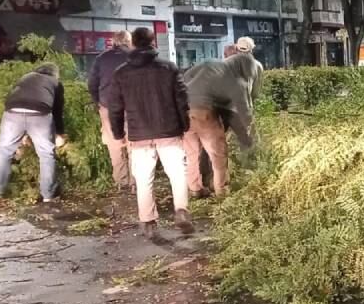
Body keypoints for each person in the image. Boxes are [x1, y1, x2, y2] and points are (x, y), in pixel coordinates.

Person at [108, 27, 194, 237]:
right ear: (153, 41)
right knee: (177, 173)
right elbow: (181, 99)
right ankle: (181, 210)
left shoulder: (121, 73)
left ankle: (148, 221)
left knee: (144, 177)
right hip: (168, 130)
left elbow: (115, 107)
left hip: (139, 133)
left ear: (133, 44)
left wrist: (118, 133)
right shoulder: (169, 68)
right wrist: (184, 125)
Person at [182, 47, 262, 198]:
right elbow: (245, 114)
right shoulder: (237, 82)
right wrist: (253, 134)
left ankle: (195, 189)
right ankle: (221, 190)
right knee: (218, 153)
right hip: (204, 112)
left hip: (183, 110)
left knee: (192, 153)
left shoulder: (211, 63)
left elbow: (186, 77)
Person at [0, 62, 66, 202]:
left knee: (4, 151)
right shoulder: (55, 82)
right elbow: (57, 111)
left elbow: (13, 97)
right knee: (46, 154)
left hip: (12, 112)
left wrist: (23, 131)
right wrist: (59, 132)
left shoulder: (26, 77)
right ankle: (48, 195)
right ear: (55, 74)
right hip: (40, 114)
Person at [87, 30, 133, 189]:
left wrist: (98, 102)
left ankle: (122, 181)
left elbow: (92, 83)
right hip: (132, 107)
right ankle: (136, 182)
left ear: (114, 41)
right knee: (134, 143)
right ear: (128, 41)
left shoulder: (102, 58)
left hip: (108, 106)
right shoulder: (135, 57)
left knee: (115, 143)